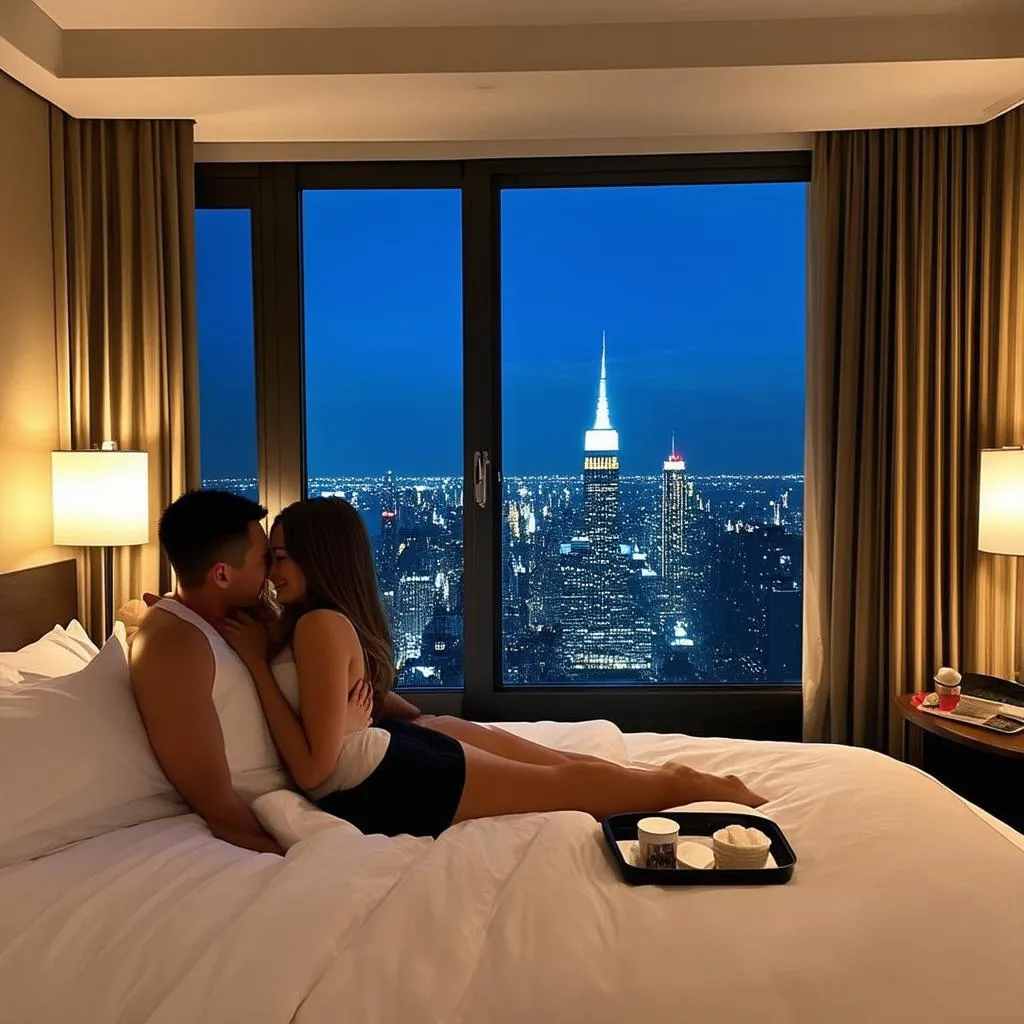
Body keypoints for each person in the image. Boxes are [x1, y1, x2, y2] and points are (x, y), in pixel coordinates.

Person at [218, 496, 765, 841]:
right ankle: (675, 780)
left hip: (382, 775)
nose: (270, 570)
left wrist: (261, 672)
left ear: (320, 558)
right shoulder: (296, 622)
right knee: (562, 773)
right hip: (383, 756)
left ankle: (689, 786)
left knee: (567, 784)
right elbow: (326, 713)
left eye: (281, 556)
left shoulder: (314, 626)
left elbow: (313, 772)